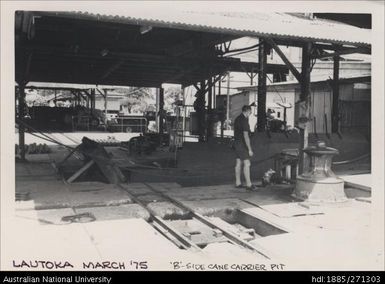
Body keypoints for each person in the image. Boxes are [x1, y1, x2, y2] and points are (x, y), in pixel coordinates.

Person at [233, 105, 258, 190]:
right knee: (247, 163)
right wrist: (250, 149)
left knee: (238, 163)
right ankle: (249, 185)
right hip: (242, 145)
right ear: (247, 111)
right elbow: (246, 136)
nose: (250, 114)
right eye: (250, 112)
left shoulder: (237, 118)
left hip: (236, 143)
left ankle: (238, 183)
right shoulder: (244, 120)